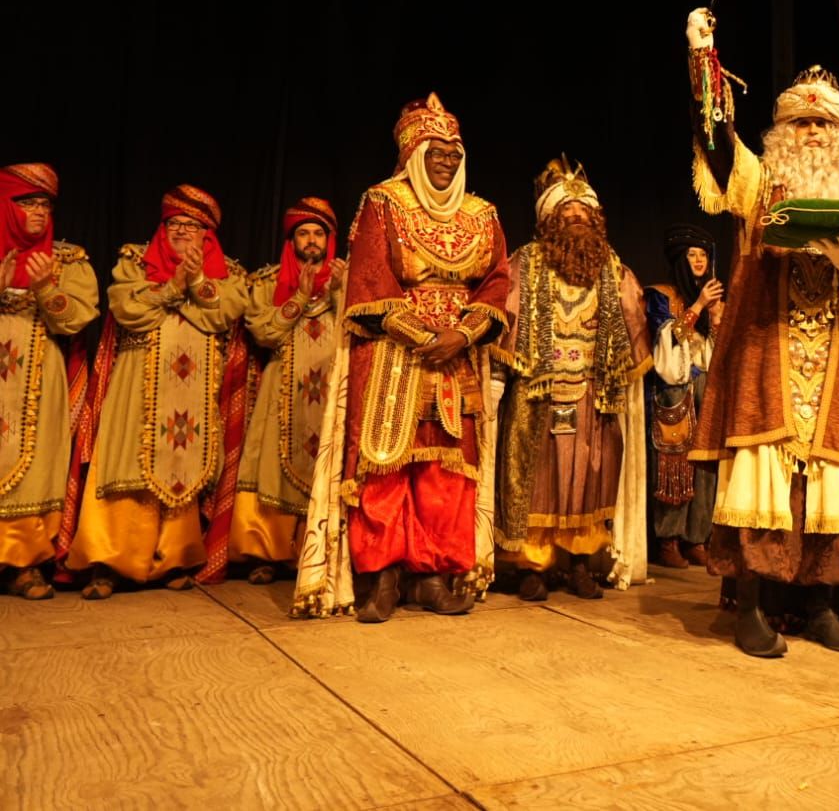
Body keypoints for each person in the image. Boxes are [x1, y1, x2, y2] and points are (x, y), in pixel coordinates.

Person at [684, 7, 839, 657]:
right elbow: (716, 142)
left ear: (838, 133)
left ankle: (817, 605)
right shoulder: (759, 180)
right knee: (763, 479)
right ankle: (753, 606)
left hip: (838, 356)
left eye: (821, 123)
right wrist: (703, 58)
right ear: (782, 129)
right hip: (768, 351)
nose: (810, 132)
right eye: (799, 122)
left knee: (829, 487)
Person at [292, 94, 509, 621]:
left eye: (455, 150)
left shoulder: (482, 214)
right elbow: (368, 280)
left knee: (446, 472)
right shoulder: (383, 202)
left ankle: (432, 576)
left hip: (457, 354)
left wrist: (463, 333)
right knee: (384, 467)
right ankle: (383, 577)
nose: (447, 158)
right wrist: (418, 333)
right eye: (436, 149)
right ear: (412, 152)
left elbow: (498, 281)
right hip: (391, 351)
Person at [65, 185, 248, 598]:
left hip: (192, 384)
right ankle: (108, 563)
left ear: (208, 235)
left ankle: (175, 559)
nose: (182, 232)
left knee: (183, 467)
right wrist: (173, 288)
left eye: (192, 226)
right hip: (137, 377)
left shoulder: (230, 274)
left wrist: (196, 280)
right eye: (175, 224)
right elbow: (125, 305)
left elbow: (224, 312)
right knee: (125, 463)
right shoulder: (134, 260)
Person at [492, 158, 651, 601]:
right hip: (537, 390)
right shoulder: (525, 262)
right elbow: (507, 315)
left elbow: (633, 317)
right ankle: (531, 567)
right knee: (536, 479)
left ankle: (580, 563)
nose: (577, 217)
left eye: (585, 212)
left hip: (591, 390)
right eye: (568, 212)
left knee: (588, 476)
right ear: (549, 218)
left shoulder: (613, 266)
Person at [229, 198, 345, 584]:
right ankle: (267, 552)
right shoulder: (266, 282)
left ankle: (317, 552)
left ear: (329, 239)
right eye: (303, 233)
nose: (311, 241)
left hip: (332, 389)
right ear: (291, 239)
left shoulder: (347, 279)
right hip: (282, 392)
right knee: (273, 466)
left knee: (327, 465)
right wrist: (298, 297)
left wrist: (339, 293)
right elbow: (263, 332)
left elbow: (360, 328)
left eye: (318, 233)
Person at [0, 164, 98, 600]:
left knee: (37, 466)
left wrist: (43, 290)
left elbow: (78, 316)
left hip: (39, 384)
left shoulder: (68, 259)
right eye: (28, 202)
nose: (39, 212)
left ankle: (23, 564)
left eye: (45, 204)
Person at [645, 223, 723, 569]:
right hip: (673, 389)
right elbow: (667, 340)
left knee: (705, 466)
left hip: (705, 387)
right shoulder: (660, 295)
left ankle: (697, 537)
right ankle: (669, 539)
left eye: (703, 255)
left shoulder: (715, 302)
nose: (698, 260)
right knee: (673, 467)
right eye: (692, 255)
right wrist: (698, 305)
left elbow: (718, 352)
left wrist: (718, 317)